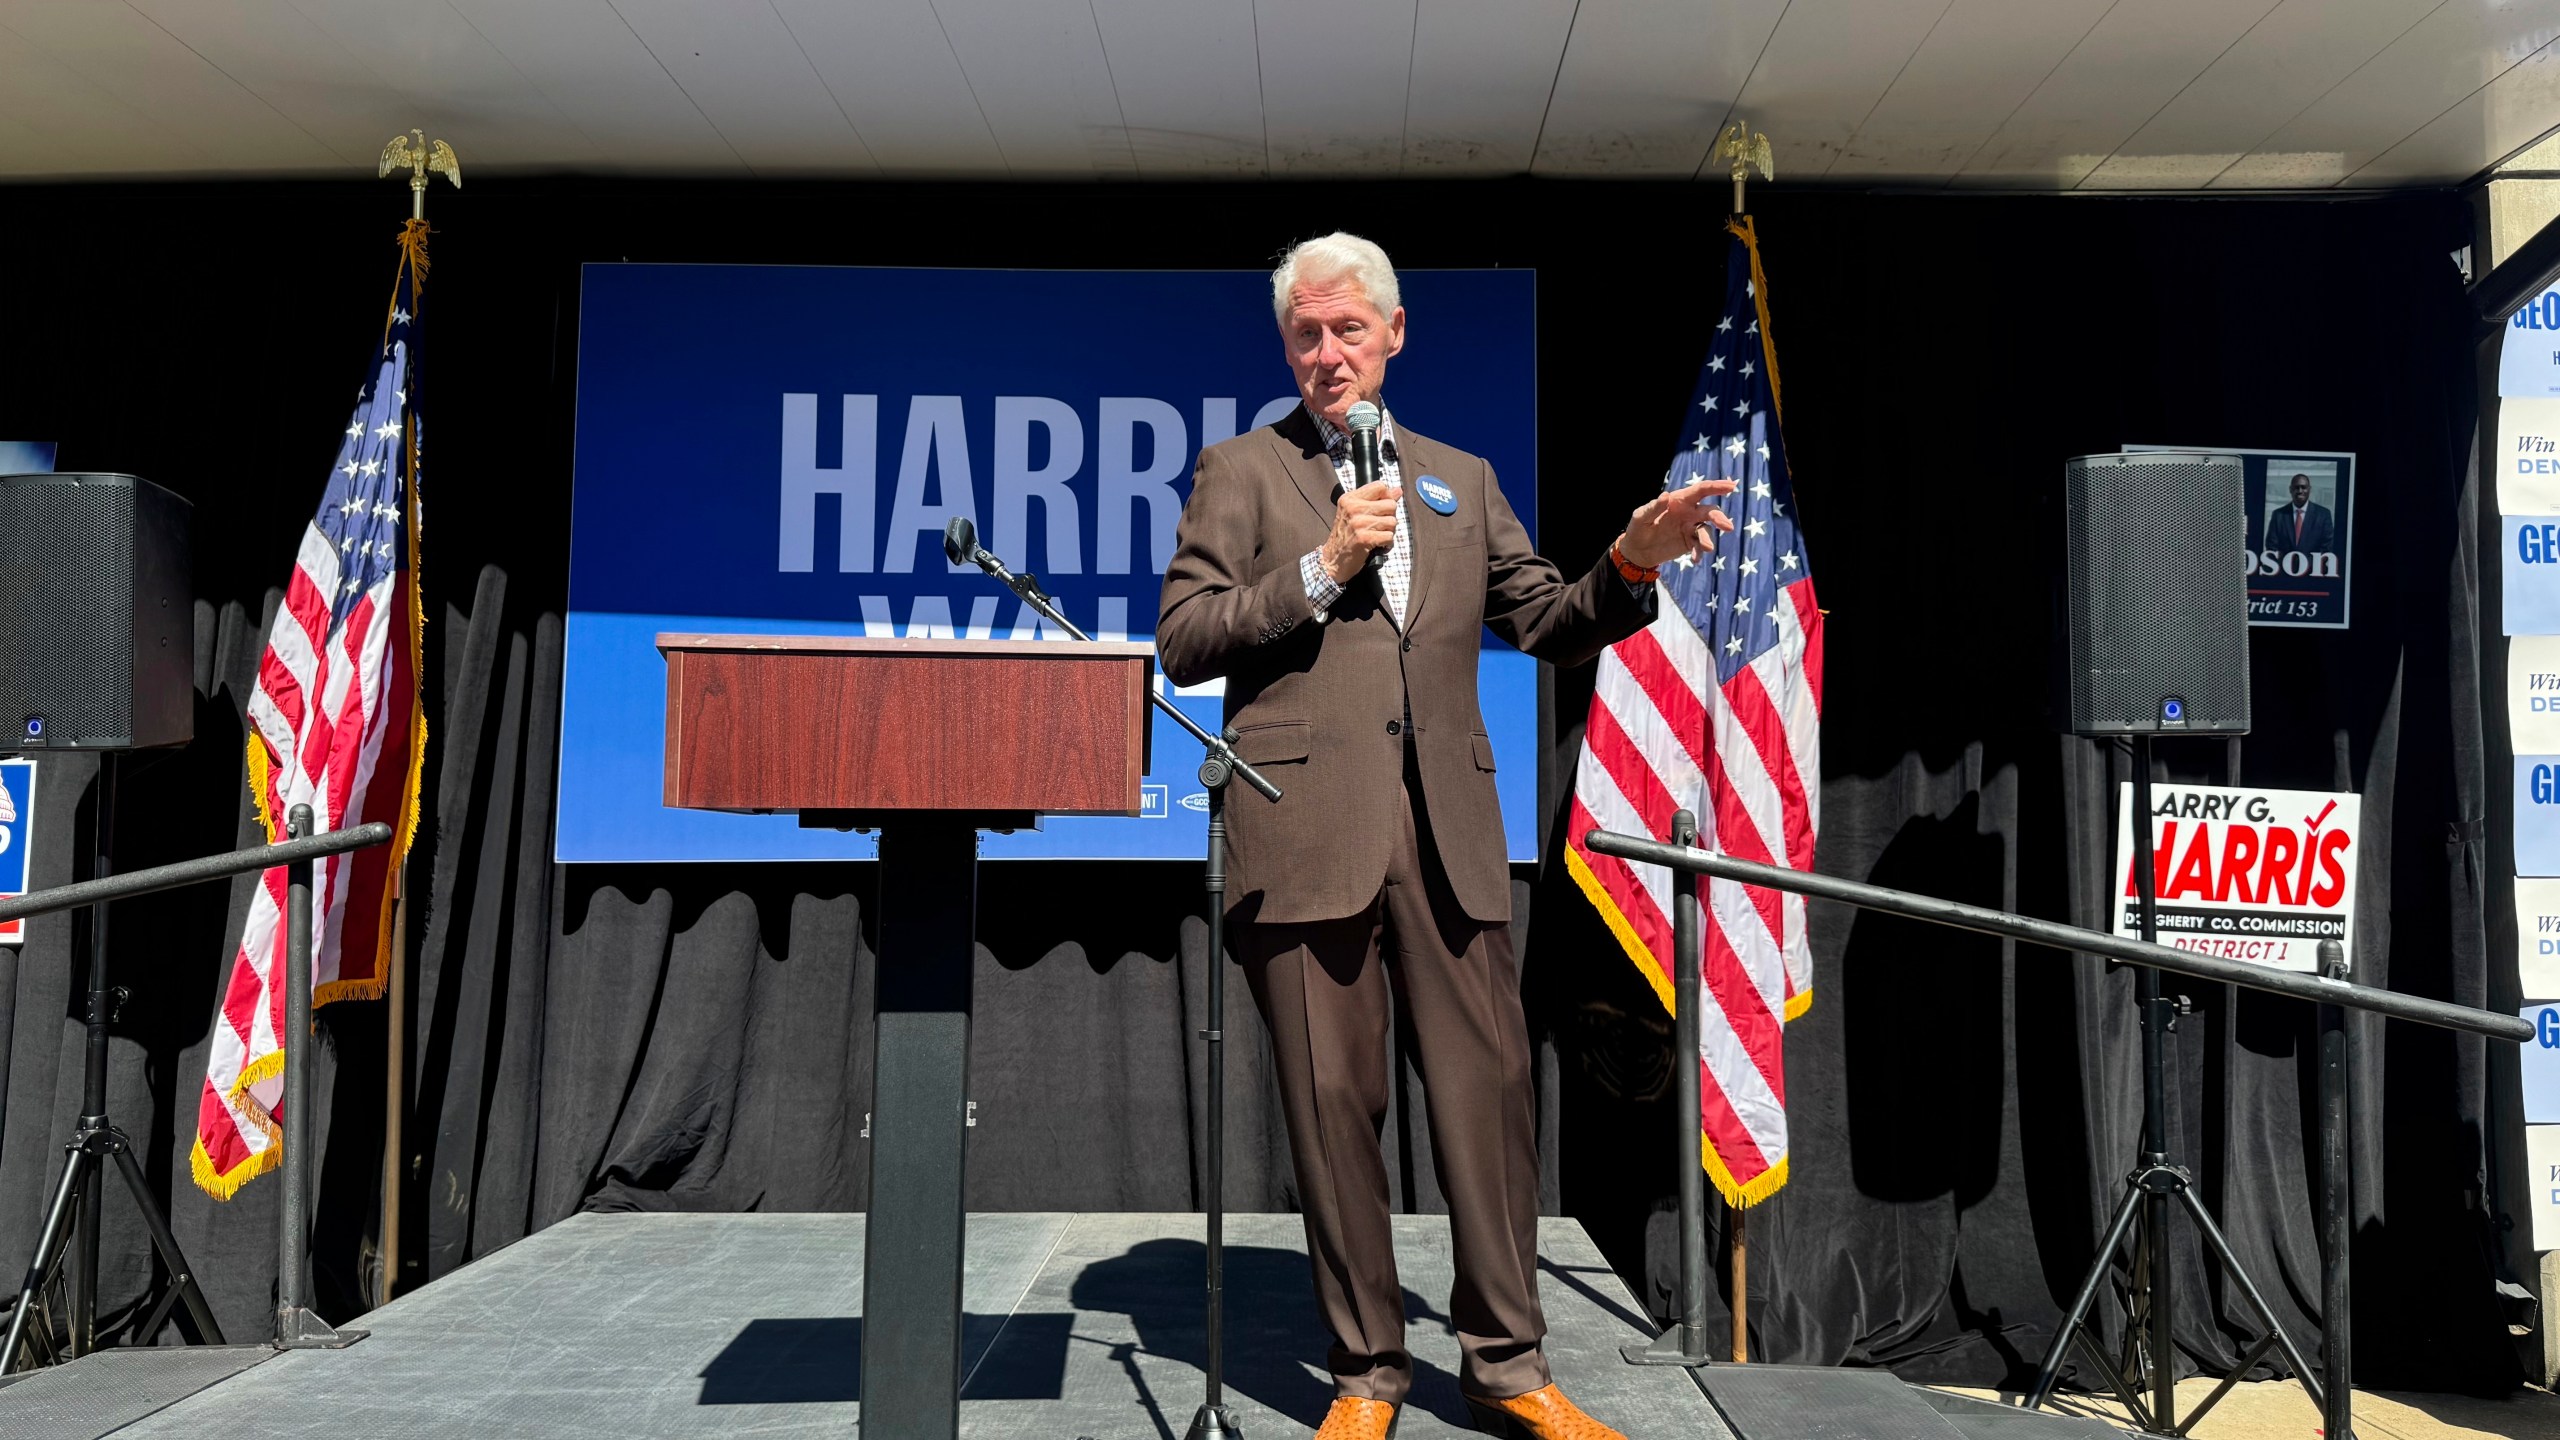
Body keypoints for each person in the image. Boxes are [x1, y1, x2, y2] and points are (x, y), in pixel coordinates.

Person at [1157, 233, 1735, 1440]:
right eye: (1305, 334)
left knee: (1489, 1095)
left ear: (1394, 332)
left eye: (1346, 329)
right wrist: (1319, 568)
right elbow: (1187, 636)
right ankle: (1367, 1373)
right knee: (1332, 1101)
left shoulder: (1459, 478)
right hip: (1303, 829)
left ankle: (1507, 1365)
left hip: (1450, 833)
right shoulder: (1241, 471)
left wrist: (1633, 557)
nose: (1326, 354)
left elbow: (1544, 618)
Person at [2266, 471, 2335, 554]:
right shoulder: (2278, 515)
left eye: (2303, 487)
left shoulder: (2323, 515)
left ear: (2309, 489)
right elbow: (2272, 546)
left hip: (2314, 566)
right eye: (2296, 487)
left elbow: (2327, 547)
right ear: (2290, 489)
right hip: (2284, 565)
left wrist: (2306, 565)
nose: (2300, 491)